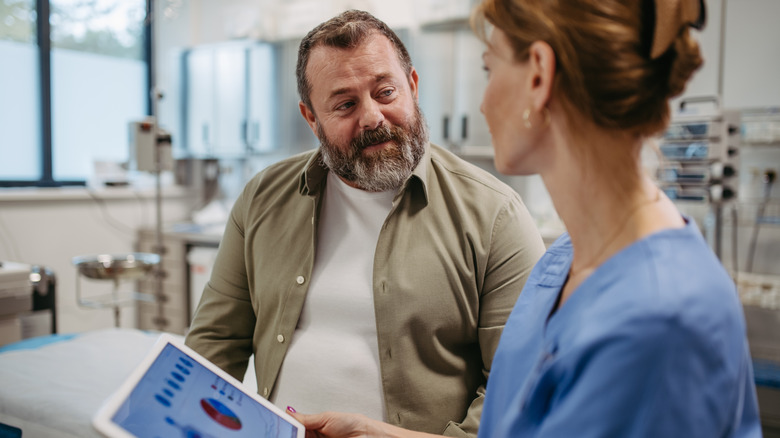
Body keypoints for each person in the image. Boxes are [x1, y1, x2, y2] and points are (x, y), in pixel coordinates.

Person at [288, 0, 762, 437]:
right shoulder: (563, 264)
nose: (483, 101)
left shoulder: (661, 321)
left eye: (490, 68)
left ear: (538, 76)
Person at [184, 9, 546, 438]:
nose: (372, 117)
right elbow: (214, 346)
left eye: (386, 92)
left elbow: (519, 390)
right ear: (311, 118)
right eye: (345, 104)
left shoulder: (494, 215)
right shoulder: (262, 198)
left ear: (412, 86)